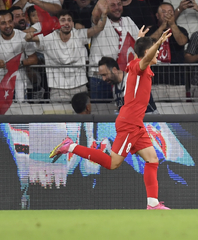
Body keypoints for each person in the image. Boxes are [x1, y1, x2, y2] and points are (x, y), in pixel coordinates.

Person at [50, 30, 172, 210]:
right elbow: (145, 57)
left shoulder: (134, 63)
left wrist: (140, 39)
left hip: (135, 124)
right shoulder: (140, 65)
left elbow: (142, 54)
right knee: (112, 163)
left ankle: (152, 204)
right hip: (129, 122)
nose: (158, 53)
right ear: (148, 52)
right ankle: (71, 146)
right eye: (155, 50)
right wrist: (159, 41)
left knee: (152, 159)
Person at [25, 8, 107, 102]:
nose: (66, 23)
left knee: (83, 116)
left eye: (69, 20)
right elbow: (30, 39)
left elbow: (99, 27)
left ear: (72, 23)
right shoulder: (49, 37)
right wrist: (28, 37)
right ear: (57, 23)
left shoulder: (79, 35)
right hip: (57, 90)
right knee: (58, 117)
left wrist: (104, 14)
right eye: (63, 20)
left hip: (79, 87)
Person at [88, 0, 140, 100]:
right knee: (100, 113)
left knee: (122, 110)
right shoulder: (101, 21)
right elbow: (95, 15)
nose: (117, 8)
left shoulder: (128, 21)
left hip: (120, 77)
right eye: (112, 5)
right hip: (100, 78)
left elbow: (140, 43)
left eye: (119, 4)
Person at [0, 10, 38, 102]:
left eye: (10, 22)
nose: (8, 26)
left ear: (13, 22)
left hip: (19, 85)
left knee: (20, 115)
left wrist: (20, 63)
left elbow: (34, 59)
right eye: (3, 23)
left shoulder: (23, 36)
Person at [149, 3, 189, 94]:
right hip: (155, 79)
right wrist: (163, 27)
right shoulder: (151, 30)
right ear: (157, 16)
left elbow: (182, 41)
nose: (167, 14)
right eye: (163, 12)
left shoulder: (181, 30)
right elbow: (149, 44)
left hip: (177, 79)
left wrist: (172, 25)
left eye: (170, 12)